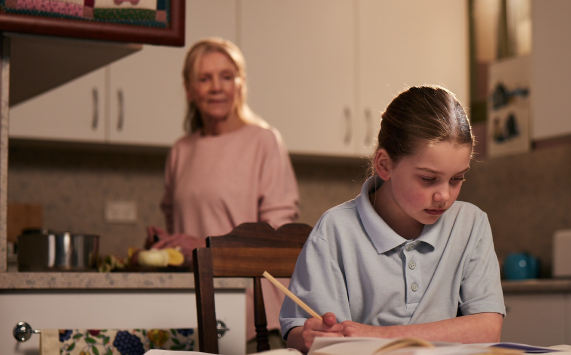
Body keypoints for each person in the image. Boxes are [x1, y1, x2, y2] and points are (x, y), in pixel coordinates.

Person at [279, 85, 505, 352]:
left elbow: (488, 329)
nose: (444, 195)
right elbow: (305, 332)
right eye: (428, 179)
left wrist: (377, 335)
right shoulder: (335, 230)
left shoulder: (471, 223)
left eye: (457, 179)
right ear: (384, 165)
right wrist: (304, 336)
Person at [148, 37, 300, 350]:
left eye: (227, 77)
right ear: (189, 89)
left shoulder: (264, 142)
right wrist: (168, 244)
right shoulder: (181, 150)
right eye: (204, 78)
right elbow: (184, 232)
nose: (216, 87)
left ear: (240, 84)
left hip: (255, 313)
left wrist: (203, 245)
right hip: (198, 307)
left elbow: (277, 240)